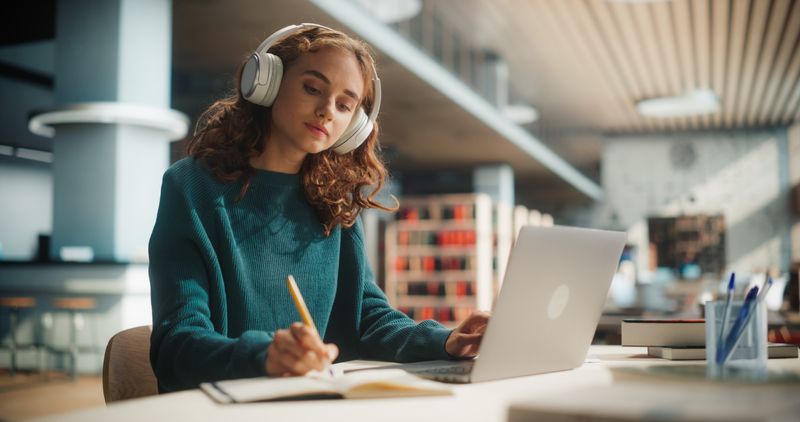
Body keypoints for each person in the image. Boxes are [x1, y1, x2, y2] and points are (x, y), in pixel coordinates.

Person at [148, 23, 489, 393]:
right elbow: (177, 343)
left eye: (345, 105)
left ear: (354, 125)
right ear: (268, 82)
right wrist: (264, 357)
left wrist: (444, 341)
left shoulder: (335, 202)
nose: (327, 111)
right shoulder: (192, 187)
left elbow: (368, 318)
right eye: (312, 88)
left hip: (314, 404)